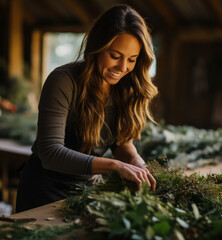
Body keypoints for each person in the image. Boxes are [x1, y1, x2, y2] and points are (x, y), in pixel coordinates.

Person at [16, 5, 158, 213]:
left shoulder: (126, 87)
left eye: (132, 60)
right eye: (115, 55)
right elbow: (50, 152)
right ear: (97, 46)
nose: (123, 67)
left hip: (88, 192)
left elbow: (121, 143)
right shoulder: (63, 81)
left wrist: (135, 161)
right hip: (44, 192)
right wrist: (115, 166)